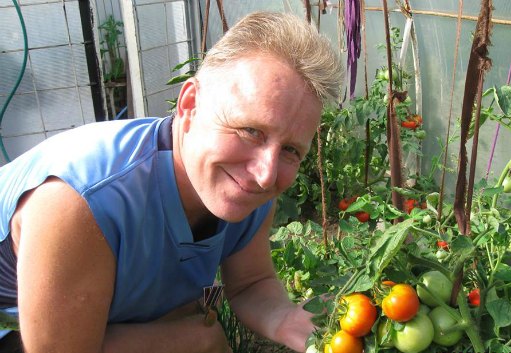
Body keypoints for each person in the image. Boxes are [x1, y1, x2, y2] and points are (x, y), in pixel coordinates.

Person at [0, 11, 343, 353]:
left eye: (290, 150)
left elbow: (251, 283)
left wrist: (285, 319)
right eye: (251, 131)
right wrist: (196, 341)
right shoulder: (83, 200)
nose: (265, 173)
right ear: (190, 104)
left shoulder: (247, 183)